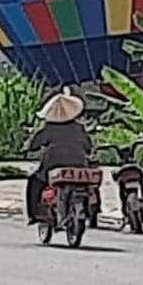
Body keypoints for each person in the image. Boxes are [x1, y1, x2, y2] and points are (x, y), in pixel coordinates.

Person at [24, 89, 93, 223]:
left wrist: (28, 147)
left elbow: (34, 145)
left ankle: (33, 215)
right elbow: (88, 146)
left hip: (52, 167)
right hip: (79, 165)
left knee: (34, 182)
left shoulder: (49, 129)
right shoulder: (79, 128)